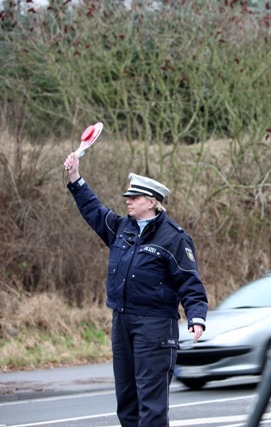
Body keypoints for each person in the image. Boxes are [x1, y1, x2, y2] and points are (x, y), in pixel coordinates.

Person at [63, 154, 209, 427]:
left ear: (152, 202)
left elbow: (190, 281)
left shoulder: (174, 237)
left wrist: (197, 316)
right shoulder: (122, 228)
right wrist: (75, 177)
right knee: (127, 403)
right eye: (128, 197)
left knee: (151, 407)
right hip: (122, 322)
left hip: (155, 326)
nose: (128, 200)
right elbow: (93, 210)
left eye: (135, 197)